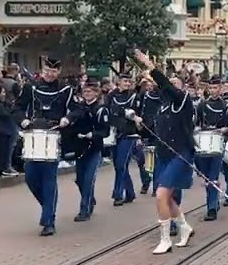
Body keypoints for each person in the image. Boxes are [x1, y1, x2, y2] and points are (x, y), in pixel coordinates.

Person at [130, 49, 195, 255]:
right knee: (169, 197)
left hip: (181, 152)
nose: (172, 85)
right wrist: (139, 125)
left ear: (182, 87)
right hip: (164, 154)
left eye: (176, 83)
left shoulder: (184, 101)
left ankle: (165, 239)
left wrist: (150, 66)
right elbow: (154, 128)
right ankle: (184, 227)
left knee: (160, 195)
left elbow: (167, 86)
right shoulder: (163, 107)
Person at [19, 59, 74, 237]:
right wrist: (23, 120)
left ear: (58, 72)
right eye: (46, 70)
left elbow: (76, 109)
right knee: (30, 177)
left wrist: (68, 119)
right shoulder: (31, 87)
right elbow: (17, 108)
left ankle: (49, 221)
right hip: (33, 134)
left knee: (49, 180)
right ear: (42, 70)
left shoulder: (66, 89)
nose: (49, 74)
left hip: (54, 134)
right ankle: (48, 208)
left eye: (53, 71)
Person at [66, 80, 108, 222]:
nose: (87, 94)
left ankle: (84, 210)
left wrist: (93, 134)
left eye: (90, 91)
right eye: (85, 92)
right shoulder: (79, 108)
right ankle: (90, 199)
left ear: (96, 93)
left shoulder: (101, 109)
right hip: (80, 148)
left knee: (89, 180)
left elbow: (105, 131)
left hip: (94, 149)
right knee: (80, 180)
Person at [195, 76, 228, 221]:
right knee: (206, 177)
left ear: (220, 88)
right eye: (210, 88)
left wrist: (225, 130)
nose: (213, 91)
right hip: (203, 144)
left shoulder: (226, 105)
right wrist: (198, 129)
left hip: (218, 142)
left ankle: (211, 208)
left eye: (215, 88)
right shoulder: (202, 105)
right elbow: (196, 123)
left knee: (213, 177)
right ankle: (214, 201)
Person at [107, 72, 141, 206]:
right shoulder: (111, 95)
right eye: (124, 81)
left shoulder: (134, 96)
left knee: (121, 164)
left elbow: (135, 113)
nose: (127, 84)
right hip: (115, 133)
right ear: (118, 81)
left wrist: (130, 115)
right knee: (119, 166)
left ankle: (118, 194)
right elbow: (108, 110)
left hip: (129, 134)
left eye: (129, 81)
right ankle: (130, 192)